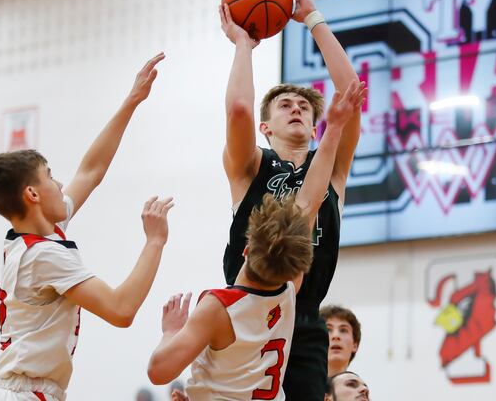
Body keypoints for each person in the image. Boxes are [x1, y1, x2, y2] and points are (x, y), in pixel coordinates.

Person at [148, 79, 366, 400]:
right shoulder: (289, 298)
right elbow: (308, 203)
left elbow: (158, 370)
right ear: (298, 269)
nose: (296, 110)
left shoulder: (217, 308)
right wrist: (334, 128)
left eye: (303, 107)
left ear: (246, 249)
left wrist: (170, 332)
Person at [0, 53, 170, 401]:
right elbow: (120, 309)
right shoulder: (44, 256)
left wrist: (131, 101)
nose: (60, 183)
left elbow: (91, 170)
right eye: (50, 177)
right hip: (26, 393)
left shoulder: (36, 235)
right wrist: (155, 242)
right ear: (33, 194)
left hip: (30, 390)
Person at [219, 0, 364, 400]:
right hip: (245, 308)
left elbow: (351, 93)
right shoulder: (249, 165)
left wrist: (313, 17)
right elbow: (239, 110)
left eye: (304, 105)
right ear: (267, 126)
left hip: (304, 319)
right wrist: (243, 45)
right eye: (285, 105)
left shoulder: (331, 166)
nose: (297, 109)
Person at [320, 305, 362, 377]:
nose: (336, 336)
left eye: (343, 330)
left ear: (355, 345)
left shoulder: (361, 387)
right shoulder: (297, 385)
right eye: (328, 330)